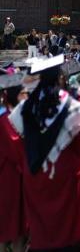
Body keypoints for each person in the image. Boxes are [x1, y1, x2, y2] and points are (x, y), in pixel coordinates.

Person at [9, 55, 80, 250]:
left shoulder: (25, 107)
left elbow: (21, 142)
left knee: (41, 228)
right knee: (66, 231)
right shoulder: (72, 107)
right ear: (60, 78)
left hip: (35, 172)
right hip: (64, 173)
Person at [0, 74, 27, 252]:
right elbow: (16, 149)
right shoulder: (6, 119)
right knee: (14, 224)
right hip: (10, 176)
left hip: (10, 174)